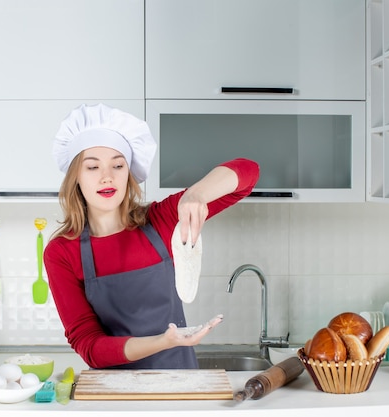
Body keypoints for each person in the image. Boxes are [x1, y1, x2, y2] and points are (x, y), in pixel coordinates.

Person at [44, 103, 259, 369]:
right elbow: (88, 345)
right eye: (92, 167)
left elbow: (248, 172)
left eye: (118, 165)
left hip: (180, 385)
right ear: (76, 176)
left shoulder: (161, 220)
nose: (107, 177)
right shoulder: (62, 252)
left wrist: (197, 194)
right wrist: (163, 341)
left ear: (129, 173)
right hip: (112, 395)